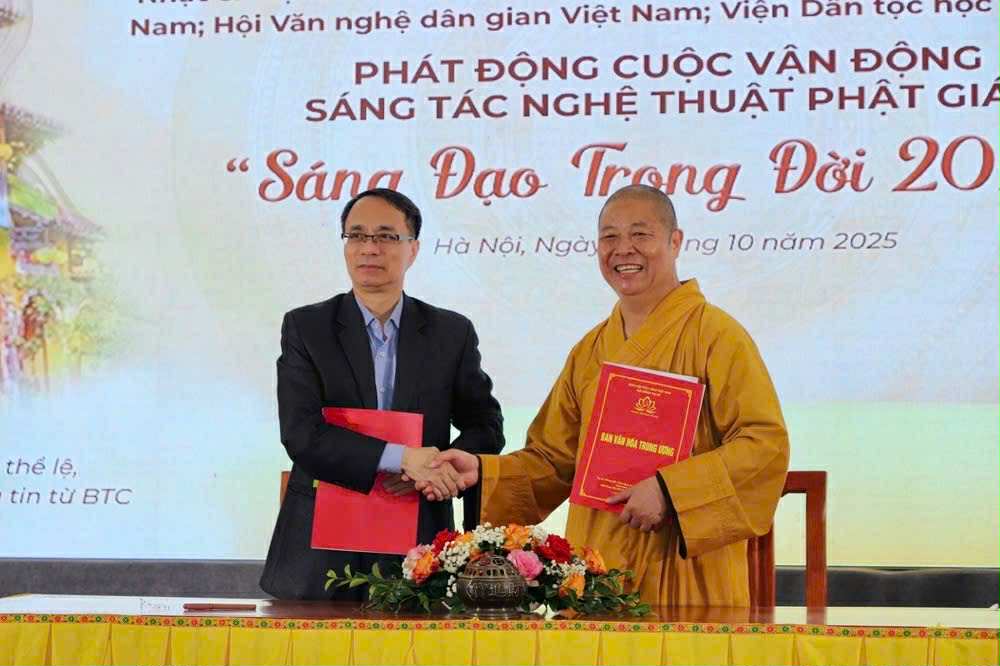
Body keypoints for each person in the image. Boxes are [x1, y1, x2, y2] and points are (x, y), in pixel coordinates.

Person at [423, 184, 789, 606]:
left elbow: (764, 444)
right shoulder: (590, 350)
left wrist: (670, 491)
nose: (623, 249)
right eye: (609, 237)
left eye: (640, 234)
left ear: (675, 241)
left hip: (685, 565)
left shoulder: (718, 336)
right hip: (599, 561)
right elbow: (554, 459)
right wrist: (483, 470)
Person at [260, 188, 505, 600]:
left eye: (387, 236)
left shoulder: (450, 332)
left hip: (418, 541)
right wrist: (405, 459)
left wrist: (436, 470)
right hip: (320, 550)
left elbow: (487, 425)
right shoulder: (307, 327)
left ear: (413, 249)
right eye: (357, 235)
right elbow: (301, 434)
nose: (369, 248)